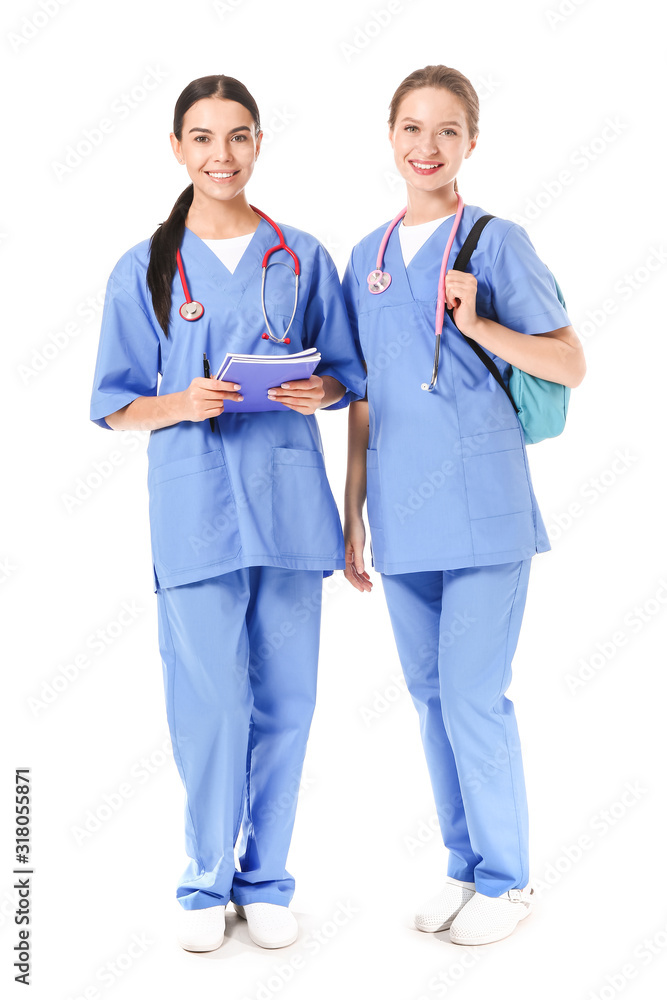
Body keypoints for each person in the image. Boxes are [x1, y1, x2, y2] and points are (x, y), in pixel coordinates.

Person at [89, 74, 366, 954]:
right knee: (209, 707)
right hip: (196, 512)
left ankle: (268, 878)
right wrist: (184, 402)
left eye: (238, 137)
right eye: (203, 138)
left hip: (286, 508)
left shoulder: (301, 255)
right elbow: (113, 403)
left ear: (258, 144)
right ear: (177, 148)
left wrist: (312, 386)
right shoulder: (145, 267)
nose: (221, 154)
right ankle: (205, 881)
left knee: (286, 701)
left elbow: (346, 379)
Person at [342, 65, 585, 946]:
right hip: (402, 519)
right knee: (429, 696)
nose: (425, 146)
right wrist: (352, 513)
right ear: (390, 137)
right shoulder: (364, 259)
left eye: (446, 131)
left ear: (470, 143)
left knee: (474, 696)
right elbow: (364, 395)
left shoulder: (495, 241)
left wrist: (481, 325)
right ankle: (463, 867)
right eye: (411, 128)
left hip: (483, 513)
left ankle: (509, 881)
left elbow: (569, 364)